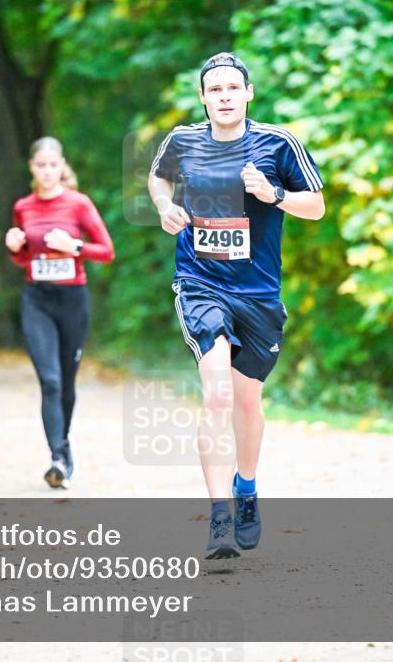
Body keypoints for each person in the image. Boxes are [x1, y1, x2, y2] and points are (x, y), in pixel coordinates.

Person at [147, 52, 326, 559]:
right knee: (218, 395)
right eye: (214, 90)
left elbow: (316, 205)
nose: (224, 96)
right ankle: (219, 515)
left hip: (259, 293)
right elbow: (159, 178)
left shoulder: (277, 143)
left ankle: (246, 487)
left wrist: (273, 194)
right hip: (201, 282)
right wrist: (165, 207)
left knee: (247, 400)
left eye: (233, 88)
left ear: (248, 94)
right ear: (203, 98)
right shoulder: (183, 141)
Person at [6, 137, 115, 490]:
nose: (48, 171)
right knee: (49, 380)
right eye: (41, 165)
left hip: (72, 300)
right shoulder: (23, 206)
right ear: (32, 168)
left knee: (66, 381)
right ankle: (57, 457)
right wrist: (15, 248)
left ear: (62, 165)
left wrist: (75, 247)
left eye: (53, 165)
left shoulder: (78, 204)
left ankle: (64, 452)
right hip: (37, 299)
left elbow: (107, 251)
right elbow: (24, 260)